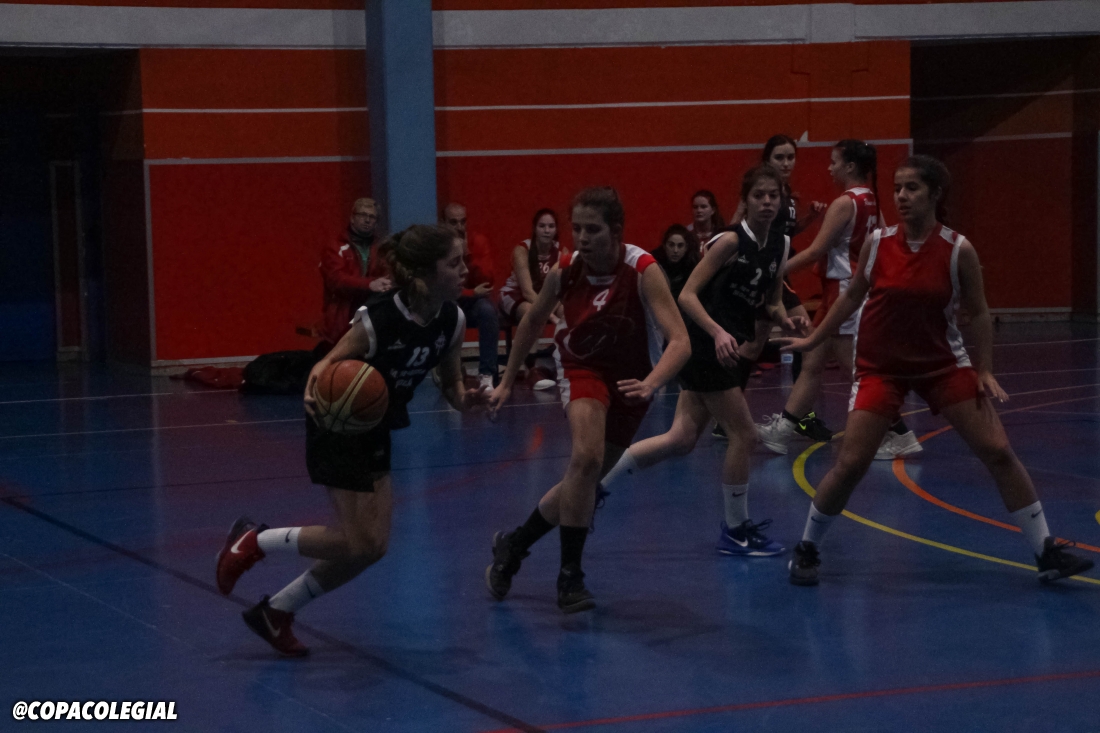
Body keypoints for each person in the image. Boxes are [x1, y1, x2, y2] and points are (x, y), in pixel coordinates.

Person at [781, 155, 1094, 586]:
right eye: (897, 188)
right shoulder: (877, 243)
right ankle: (807, 547)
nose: (902, 196)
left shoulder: (957, 249)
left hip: (942, 366)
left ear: (935, 194)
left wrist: (985, 370)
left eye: (912, 188)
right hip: (881, 369)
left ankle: (1046, 551)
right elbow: (851, 297)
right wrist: (815, 339)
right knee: (851, 463)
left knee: (999, 451)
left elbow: (979, 312)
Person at [215, 225, 490, 656]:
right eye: (454, 263)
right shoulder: (380, 318)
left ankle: (276, 611)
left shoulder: (451, 319)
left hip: (376, 425)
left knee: (373, 547)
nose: (465, 269)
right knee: (355, 542)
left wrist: (466, 399)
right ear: (425, 272)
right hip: (339, 423)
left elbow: (452, 384)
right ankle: (254, 540)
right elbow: (327, 364)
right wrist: (316, 385)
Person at [484, 187, 690, 613]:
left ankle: (514, 545)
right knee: (586, 457)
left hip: (633, 377)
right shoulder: (565, 270)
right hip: (582, 366)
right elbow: (532, 322)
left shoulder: (642, 270)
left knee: (586, 479)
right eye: (576, 228)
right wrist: (505, 381)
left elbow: (680, 341)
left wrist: (652, 383)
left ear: (616, 231)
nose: (581, 237)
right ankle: (570, 577)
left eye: (592, 229)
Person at [599, 164, 806, 557]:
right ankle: (735, 530)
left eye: (773, 196)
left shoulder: (779, 245)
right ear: (745, 201)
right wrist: (717, 331)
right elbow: (687, 296)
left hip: (724, 349)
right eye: (758, 195)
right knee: (745, 435)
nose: (766, 202)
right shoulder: (729, 241)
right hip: (703, 344)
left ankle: (596, 486)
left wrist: (785, 319)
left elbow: (773, 301)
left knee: (680, 439)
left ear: (782, 201)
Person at [756, 140, 921, 460]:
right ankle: (783, 430)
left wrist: (774, 272)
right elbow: (884, 237)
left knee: (857, 370)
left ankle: (899, 433)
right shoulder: (871, 199)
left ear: (849, 166)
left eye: (834, 162)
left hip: (844, 290)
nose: (829, 168)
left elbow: (815, 250)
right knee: (812, 362)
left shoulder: (844, 203)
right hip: (845, 289)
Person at [718, 135, 827, 441]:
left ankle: (725, 416)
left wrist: (809, 218)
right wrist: (734, 260)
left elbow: (787, 233)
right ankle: (800, 417)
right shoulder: (758, 195)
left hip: (776, 272)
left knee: (753, 347)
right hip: (764, 272)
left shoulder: (785, 196)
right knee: (807, 338)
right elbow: (734, 228)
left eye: (791, 157)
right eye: (780, 157)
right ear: (768, 159)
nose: (786, 163)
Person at [499, 209, 567, 389]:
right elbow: (527, 291)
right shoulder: (522, 250)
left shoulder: (561, 253)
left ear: (556, 229)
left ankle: (567, 362)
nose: (546, 230)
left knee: (569, 310)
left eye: (551, 226)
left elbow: (561, 290)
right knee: (534, 312)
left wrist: (558, 313)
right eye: (542, 226)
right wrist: (551, 316)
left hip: (545, 298)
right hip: (515, 294)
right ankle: (531, 369)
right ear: (535, 229)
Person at [318, 198, 393, 354]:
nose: (367, 220)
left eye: (372, 217)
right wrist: (370, 284)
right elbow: (336, 280)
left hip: (371, 316)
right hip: (341, 318)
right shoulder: (335, 246)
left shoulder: (381, 248)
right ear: (352, 218)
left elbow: (388, 274)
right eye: (362, 215)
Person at [442, 202, 499, 390]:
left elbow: (487, 281)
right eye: (453, 222)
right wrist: (472, 292)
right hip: (450, 299)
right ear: (443, 223)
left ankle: (487, 374)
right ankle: (453, 374)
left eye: (463, 222)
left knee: (487, 310)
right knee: (446, 310)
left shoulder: (478, 242)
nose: (459, 227)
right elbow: (444, 286)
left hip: (473, 302)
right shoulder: (439, 246)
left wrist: (468, 256)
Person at [647, 224, 699, 366]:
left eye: (680, 246)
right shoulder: (653, 263)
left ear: (686, 247)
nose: (675, 250)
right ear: (665, 246)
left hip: (683, 318)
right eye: (671, 245)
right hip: (657, 316)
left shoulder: (693, 265)